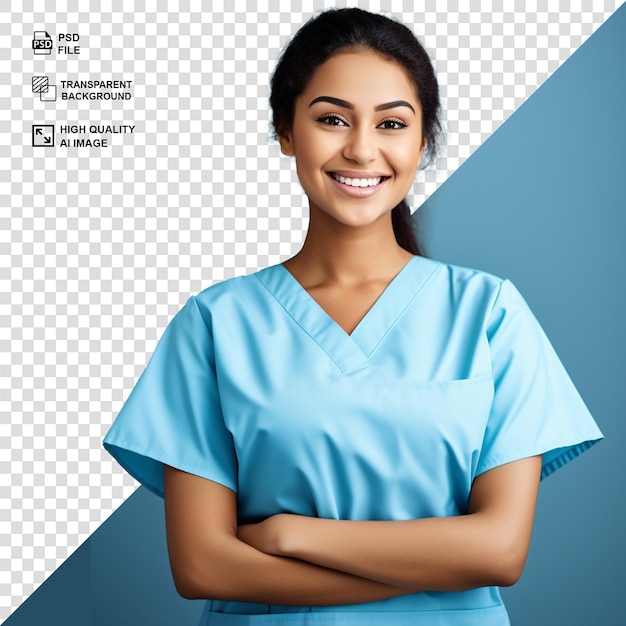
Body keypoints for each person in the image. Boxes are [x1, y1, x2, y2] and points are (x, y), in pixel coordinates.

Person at [103, 8, 603, 625]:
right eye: (332, 119)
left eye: (392, 123)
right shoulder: (215, 323)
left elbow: (499, 551)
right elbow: (204, 567)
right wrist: (434, 572)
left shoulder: (489, 313)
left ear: (423, 142)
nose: (362, 149)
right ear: (286, 131)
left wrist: (292, 534)